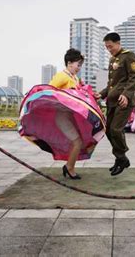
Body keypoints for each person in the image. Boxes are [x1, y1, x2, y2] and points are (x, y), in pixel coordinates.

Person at [95, 32, 135, 176]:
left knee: (115, 129)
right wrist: (101, 94)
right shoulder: (112, 60)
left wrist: (126, 95)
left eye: (111, 46)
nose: (109, 49)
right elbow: (111, 84)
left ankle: (122, 157)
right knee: (108, 130)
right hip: (112, 101)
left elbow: (134, 78)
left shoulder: (129, 56)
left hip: (123, 102)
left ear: (118, 43)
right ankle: (120, 158)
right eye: (107, 47)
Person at [49, 49, 84, 179]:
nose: (79, 68)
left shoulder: (74, 77)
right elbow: (50, 91)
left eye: (80, 65)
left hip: (70, 115)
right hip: (62, 116)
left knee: (79, 141)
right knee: (77, 142)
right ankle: (69, 168)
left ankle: (69, 165)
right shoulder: (62, 76)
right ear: (69, 63)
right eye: (78, 65)